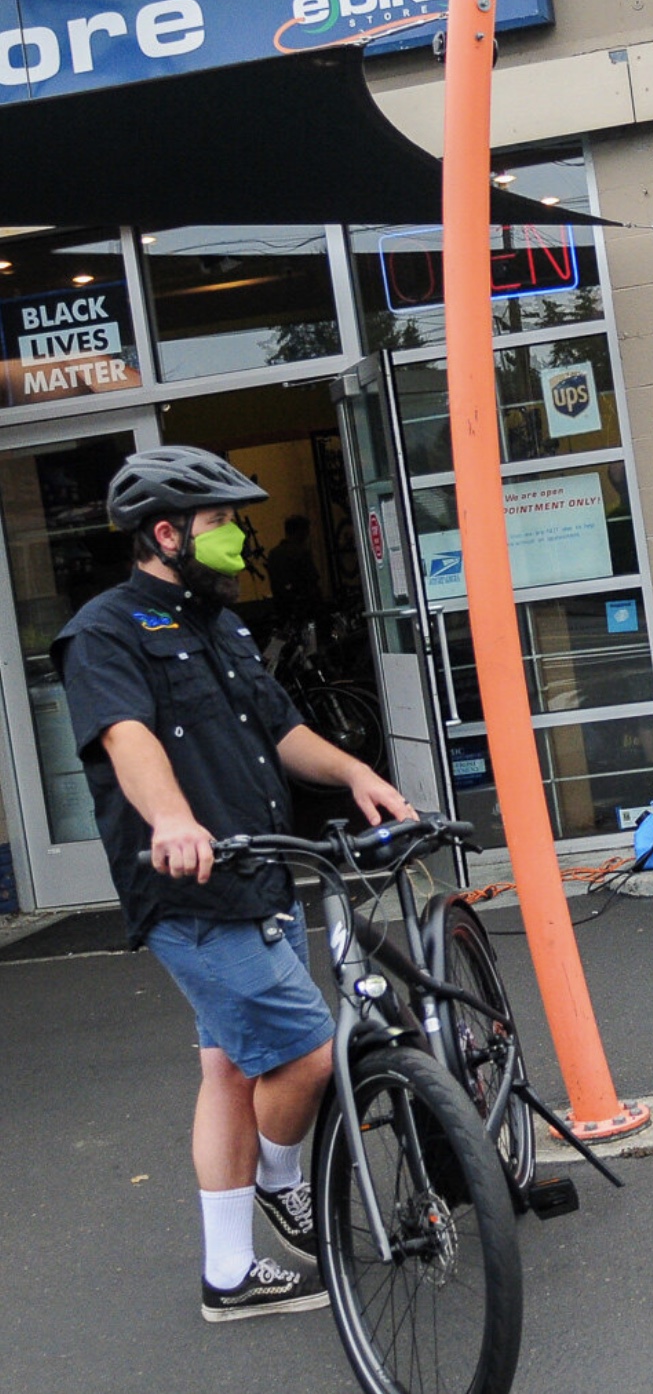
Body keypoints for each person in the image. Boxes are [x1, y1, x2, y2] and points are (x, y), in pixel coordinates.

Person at [53, 446, 414, 1320]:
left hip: (260, 877)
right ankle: (284, 1179)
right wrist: (173, 820)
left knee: (226, 1070)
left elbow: (281, 728)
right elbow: (124, 735)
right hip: (193, 895)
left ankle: (229, 1275)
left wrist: (356, 774)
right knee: (305, 1054)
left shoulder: (221, 622)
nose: (236, 536)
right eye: (220, 523)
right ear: (166, 533)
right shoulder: (103, 631)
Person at [265, 513, 324, 625]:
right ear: (301, 533)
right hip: (304, 608)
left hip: (282, 609)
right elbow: (312, 580)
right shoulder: (301, 553)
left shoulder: (274, 554)